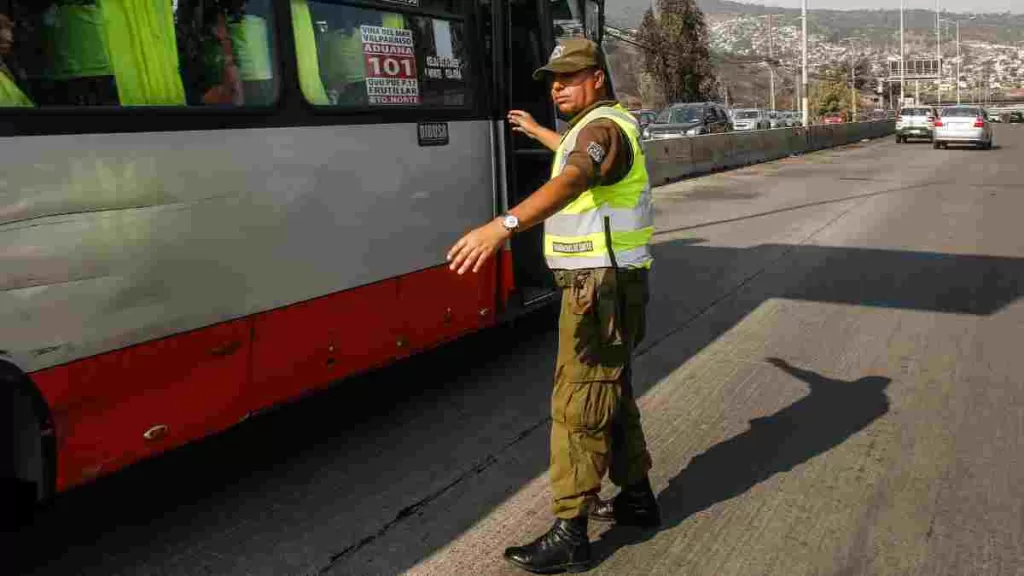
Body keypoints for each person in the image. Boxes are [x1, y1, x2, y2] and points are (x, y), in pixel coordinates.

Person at [446, 38, 659, 574]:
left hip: (599, 288)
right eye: (552, 80)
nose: (558, 86)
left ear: (598, 80)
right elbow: (573, 155)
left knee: (578, 405)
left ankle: (572, 532)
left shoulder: (603, 129)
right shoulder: (593, 128)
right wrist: (539, 133)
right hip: (612, 284)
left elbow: (574, 177)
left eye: (570, 76)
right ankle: (635, 496)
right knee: (611, 392)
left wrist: (504, 224)